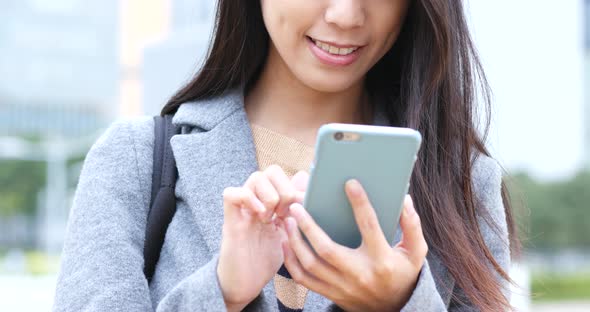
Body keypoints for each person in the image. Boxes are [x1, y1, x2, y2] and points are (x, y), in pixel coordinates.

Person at [53, 0, 519, 311]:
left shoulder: (463, 182)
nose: (345, 15)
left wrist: (400, 304)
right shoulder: (133, 160)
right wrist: (223, 292)